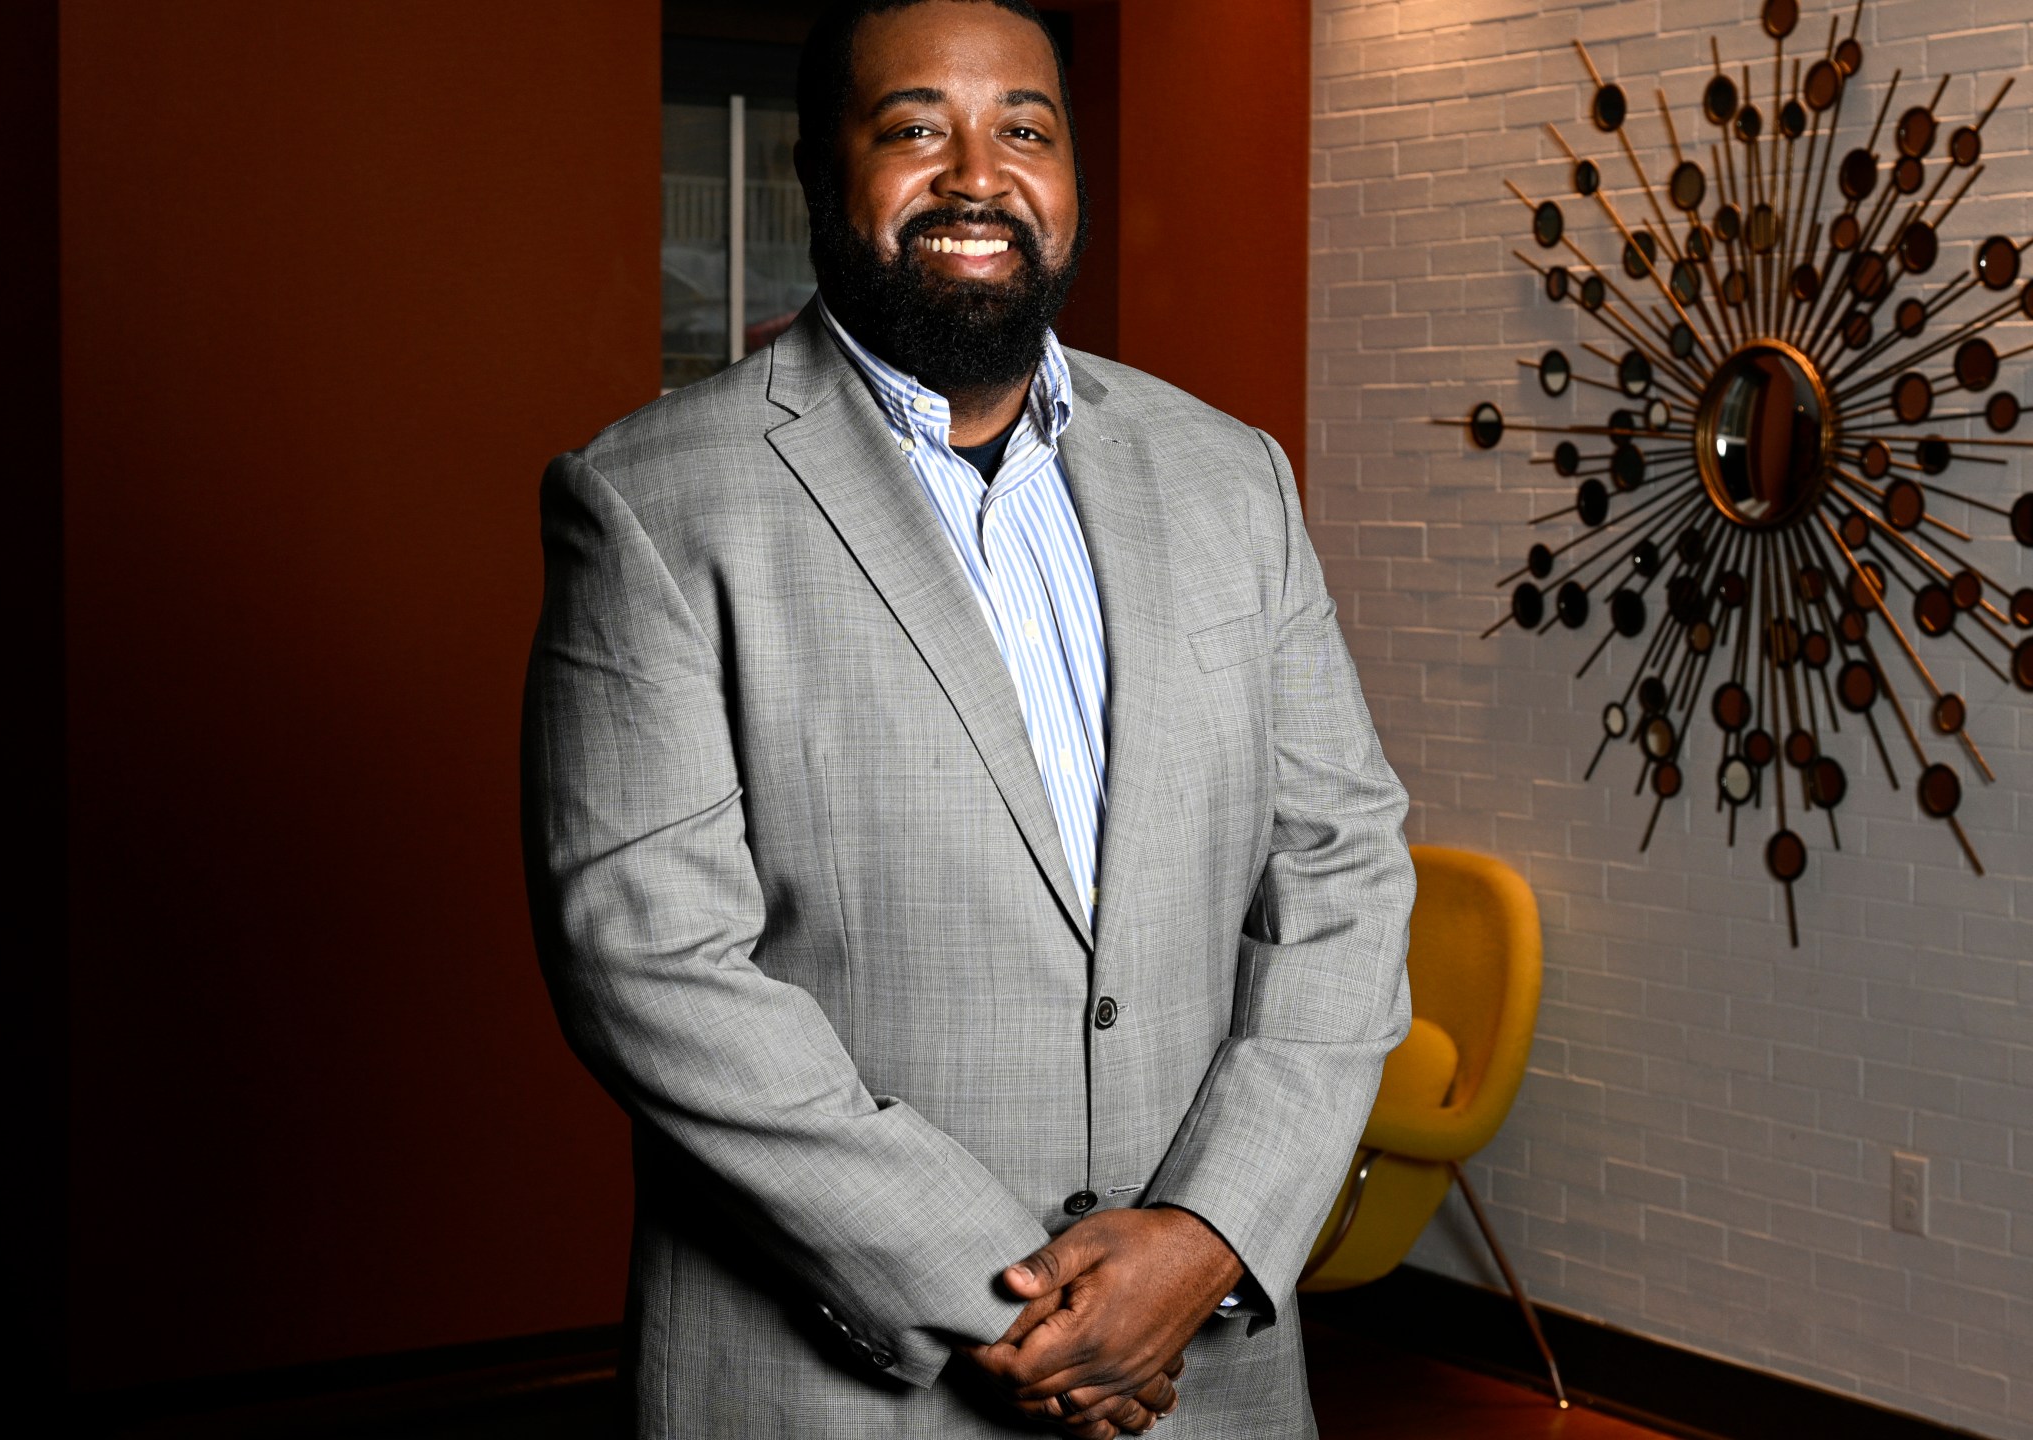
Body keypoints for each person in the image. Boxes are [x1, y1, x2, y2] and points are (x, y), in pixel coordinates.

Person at [522, 1, 1412, 1433]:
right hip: (845, 1385)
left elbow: (1344, 873)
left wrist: (1212, 1236)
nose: (977, 174)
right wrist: (1015, 1309)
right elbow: (648, 962)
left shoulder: (1230, 476)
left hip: (1207, 1368)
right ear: (819, 171)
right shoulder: (653, 503)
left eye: (1025, 129)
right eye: (916, 127)